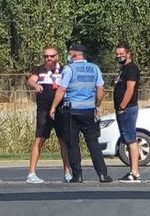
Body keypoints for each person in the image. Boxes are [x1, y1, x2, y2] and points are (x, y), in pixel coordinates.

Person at [50, 44, 112, 183]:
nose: (69, 56)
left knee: (73, 143)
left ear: (76, 55)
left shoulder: (69, 69)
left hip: (72, 111)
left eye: (70, 53)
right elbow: (101, 90)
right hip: (89, 111)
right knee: (93, 143)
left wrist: (53, 106)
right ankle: (102, 174)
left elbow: (61, 90)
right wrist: (97, 105)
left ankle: (77, 175)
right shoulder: (95, 68)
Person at [26, 47, 71, 184]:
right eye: (46, 57)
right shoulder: (39, 70)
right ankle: (32, 173)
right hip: (43, 110)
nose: (49, 59)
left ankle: (67, 172)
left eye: (52, 56)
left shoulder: (64, 70)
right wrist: (35, 85)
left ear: (57, 56)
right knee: (39, 139)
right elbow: (31, 80)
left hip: (61, 109)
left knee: (64, 140)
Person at [113, 43, 142, 182]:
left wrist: (122, 106)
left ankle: (135, 172)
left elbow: (130, 89)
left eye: (121, 53)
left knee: (131, 140)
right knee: (128, 139)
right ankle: (132, 170)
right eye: (117, 54)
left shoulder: (131, 69)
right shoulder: (123, 69)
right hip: (124, 109)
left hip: (128, 109)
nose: (119, 56)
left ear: (128, 53)